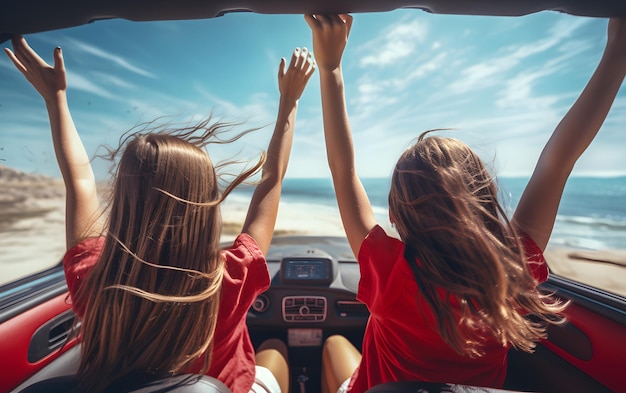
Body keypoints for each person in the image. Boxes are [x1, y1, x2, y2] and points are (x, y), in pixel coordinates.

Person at [305, 14, 626, 393]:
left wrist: (330, 68)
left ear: (394, 215)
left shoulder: (391, 274)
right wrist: (617, 54)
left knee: (333, 347)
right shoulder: (511, 272)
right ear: (485, 201)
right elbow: (556, 164)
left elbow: (343, 171)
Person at [5, 36, 316, 393]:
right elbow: (271, 180)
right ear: (204, 210)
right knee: (275, 352)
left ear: (125, 203)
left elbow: (80, 182)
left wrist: (55, 99)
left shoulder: (95, 279)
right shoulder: (229, 279)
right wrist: (289, 101)